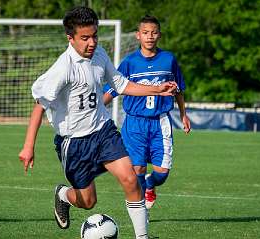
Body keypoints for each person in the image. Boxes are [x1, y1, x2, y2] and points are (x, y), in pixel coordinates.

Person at [18, 7, 179, 239]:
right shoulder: (63, 67)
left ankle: (142, 237)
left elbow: (121, 85)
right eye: (84, 38)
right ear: (70, 38)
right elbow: (39, 106)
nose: (91, 42)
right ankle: (64, 195)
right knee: (87, 201)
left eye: (94, 35)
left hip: (103, 131)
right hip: (74, 143)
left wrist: (157, 89)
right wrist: (28, 146)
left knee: (131, 178)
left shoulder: (100, 54)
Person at [103, 15, 191, 210]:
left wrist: (184, 115)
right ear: (137, 36)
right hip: (134, 124)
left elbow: (179, 89)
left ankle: (151, 184)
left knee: (162, 172)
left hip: (160, 122)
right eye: (145, 33)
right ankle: (141, 212)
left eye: (154, 32)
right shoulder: (129, 62)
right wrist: (97, 108)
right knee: (137, 169)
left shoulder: (169, 60)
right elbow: (113, 89)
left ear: (159, 35)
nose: (149, 36)